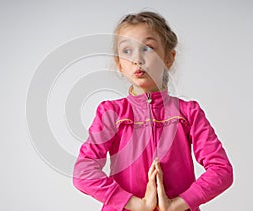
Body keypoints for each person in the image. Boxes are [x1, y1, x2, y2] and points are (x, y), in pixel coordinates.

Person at [73, 11, 233, 211]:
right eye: (127, 51)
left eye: (147, 48)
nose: (137, 59)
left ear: (169, 58)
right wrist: (137, 205)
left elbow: (222, 170)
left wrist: (178, 204)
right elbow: (83, 171)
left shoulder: (188, 113)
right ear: (119, 64)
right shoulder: (111, 113)